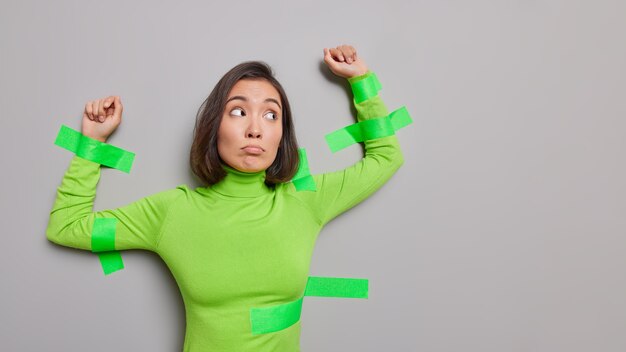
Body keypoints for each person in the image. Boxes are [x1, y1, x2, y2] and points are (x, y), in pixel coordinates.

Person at [46, 44, 405, 351]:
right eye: (238, 111)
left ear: (282, 134)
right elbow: (66, 227)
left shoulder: (305, 200)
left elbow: (386, 158)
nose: (255, 128)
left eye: (270, 114)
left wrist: (361, 81)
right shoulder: (172, 213)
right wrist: (92, 144)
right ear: (213, 126)